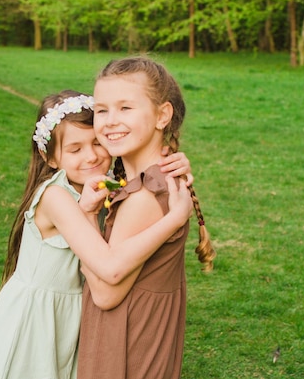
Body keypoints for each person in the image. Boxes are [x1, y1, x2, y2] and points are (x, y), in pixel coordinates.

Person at [0, 90, 194, 379]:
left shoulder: (108, 186)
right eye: (75, 150)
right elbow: (109, 266)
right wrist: (175, 218)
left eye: (97, 143)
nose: (91, 156)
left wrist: (171, 162)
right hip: (36, 320)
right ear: (49, 157)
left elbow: (144, 172)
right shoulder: (56, 197)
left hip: (71, 314)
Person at [77, 56, 216, 379]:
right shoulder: (146, 180)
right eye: (102, 110)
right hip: (142, 332)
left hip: (126, 340)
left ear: (162, 115)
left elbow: (106, 293)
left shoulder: (144, 198)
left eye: (126, 108)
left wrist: (84, 220)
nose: (110, 121)